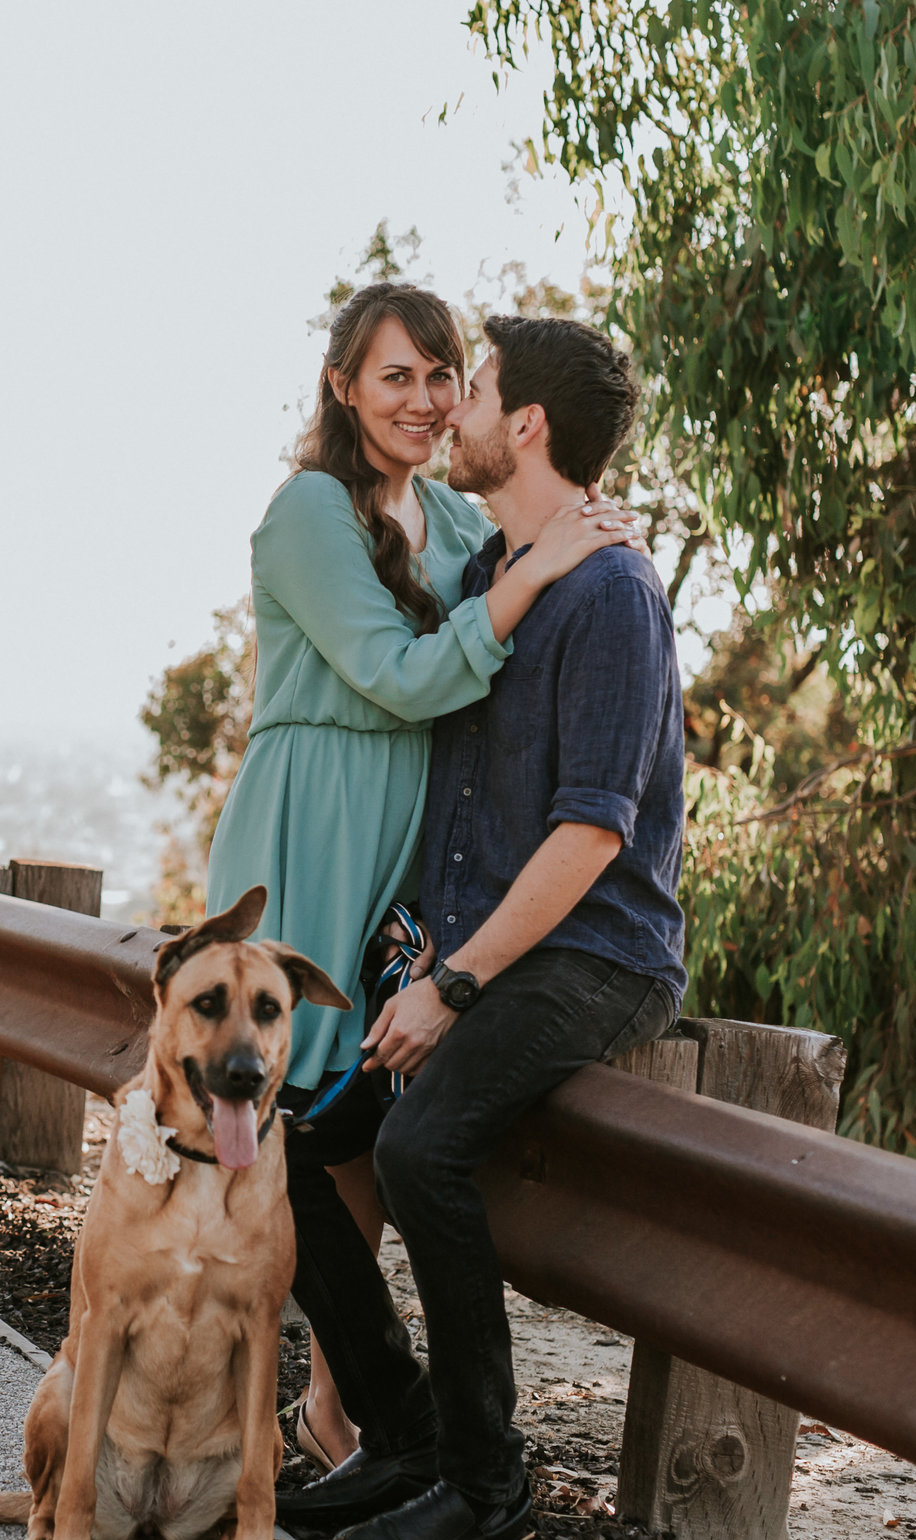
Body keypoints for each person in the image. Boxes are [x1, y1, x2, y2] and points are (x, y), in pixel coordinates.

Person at [273, 314, 688, 1540]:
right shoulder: (482, 582)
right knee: (302, 1145)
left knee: (418, 1142)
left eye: (475, 387)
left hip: (593, 951)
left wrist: (455, 984)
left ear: (526, 426)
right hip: (484, 944)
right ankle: (397, 1434)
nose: (449, 406)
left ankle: (483, 1478)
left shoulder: (613, 592)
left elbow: (586, 839)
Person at [201, 283, 629, 1469]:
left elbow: (540, 560)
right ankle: (221, 1404)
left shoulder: (450, 519)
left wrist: (584, 534)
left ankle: (334, 1403)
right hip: (313, 827)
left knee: (360, 1121)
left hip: (414, 835)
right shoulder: (308, 511)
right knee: (273, 1127)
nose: (426, 401)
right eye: (396, 376)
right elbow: (395, 672)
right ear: (343, 383)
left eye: (444, 377)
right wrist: (532, 578)